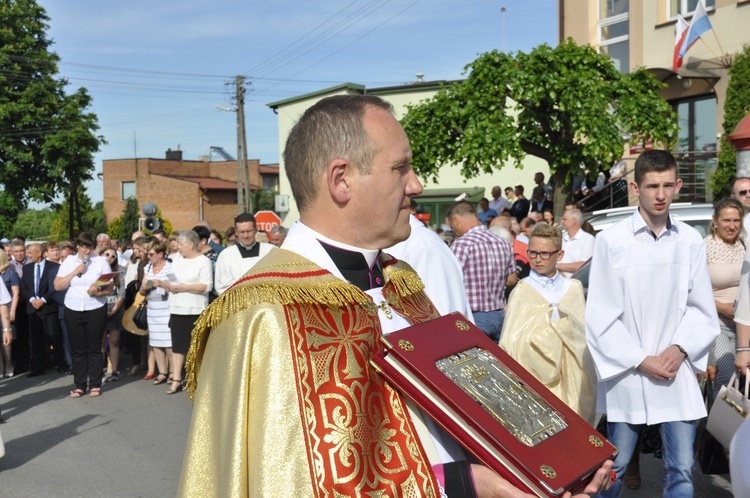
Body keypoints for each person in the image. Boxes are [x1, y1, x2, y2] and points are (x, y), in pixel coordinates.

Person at [179, 95, 613, 497]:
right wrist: (466, 483)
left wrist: (542, 470)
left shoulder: (400, 282)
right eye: (400, 168)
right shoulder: (262, 313)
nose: (417, 184)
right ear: (341, 180)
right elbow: (293, 482)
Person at [586, 150, 718, 497]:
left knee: (682, 468)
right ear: (635, 187)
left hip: (675, 370)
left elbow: (702, 308)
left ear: (678, 185)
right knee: (613, 467)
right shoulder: (611, 241)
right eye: (652, 186)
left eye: (667, 185)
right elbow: (600, 315)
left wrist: (679, 349)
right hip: (629, 371)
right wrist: (642, 360)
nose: (660, 195)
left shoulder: (689, 240)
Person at [500, 223, 596, 425]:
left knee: (572, 430)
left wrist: (565, 325)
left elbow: (584, 334)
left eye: (545, 254)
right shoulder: (523, 289)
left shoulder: (573, 287)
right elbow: (511, 341)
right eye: (533, 253)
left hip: (572, 376)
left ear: (559, 255)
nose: (537, 259)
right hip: (534, 376)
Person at [54, 232, 114, 398]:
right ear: (78, 247)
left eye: (90, 247)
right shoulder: (69, 261)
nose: (87, 251)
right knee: (78, 348)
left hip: (95, 307)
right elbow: (58, 286)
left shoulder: (100, 261)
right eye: (84, 247)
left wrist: (99, 290)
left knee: (94, 347)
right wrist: (74, 272)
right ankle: (80, 384)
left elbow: (110, 287)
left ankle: (95, 383)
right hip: (73, 308)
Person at [447, 201, 517, 341]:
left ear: (456, 220)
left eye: (452, 226)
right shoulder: (502, 242)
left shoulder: (461, 245)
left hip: (474, 316)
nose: (453, 230)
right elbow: (511, 279)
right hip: (500, 315)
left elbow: (450, 282)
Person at [703, 198, 745, 398]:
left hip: (743, 326)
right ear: (715, 221)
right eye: (726, 220)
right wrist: (721, 307)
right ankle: (719, 428)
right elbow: (690, 292)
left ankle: (741, 428)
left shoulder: (744, 245)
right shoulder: (704, 248)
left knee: (744, 380)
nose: (732, 226)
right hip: (716, 326)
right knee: (726, 377)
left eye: (736, 220)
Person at [162, 230, 212, 395]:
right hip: (176, 308)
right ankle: (176, 378)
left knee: (196, 347)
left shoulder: (203, 261)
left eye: (181, 244)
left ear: (191, 244)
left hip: (195, 309)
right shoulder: (176, 260)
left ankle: (198, 379)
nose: (178, 247)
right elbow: (168, 278)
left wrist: (183, 287)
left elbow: (206, 286)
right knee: (177, 347)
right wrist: (168, 285)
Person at [20, 243, 62, 377]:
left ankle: (60, 364)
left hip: (49, 308)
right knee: (35, 340)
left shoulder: (54, 267)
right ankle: (38, 367)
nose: (28, 255)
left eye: (31, 252)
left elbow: (55, 287)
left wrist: (43, 300)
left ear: (39, 253)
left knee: (54, 337)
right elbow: (24, 287)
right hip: (33, 310)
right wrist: (32, 299)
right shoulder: (26, 268)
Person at [213, 213, 275, 295]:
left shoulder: (271, 251)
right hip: (238, 305)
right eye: (242, 232)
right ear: (236, 232)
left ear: (256, 229)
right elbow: (222, 287)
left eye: (249, 231)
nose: (246, 235)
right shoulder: (226, 256)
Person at [139, 240, 172, 386]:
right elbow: (141, 290)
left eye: (151, 254)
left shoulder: (170, 267)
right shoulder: (147, 268)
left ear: (160, 254)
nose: (149, 256)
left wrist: (162, 284)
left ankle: (173, 372)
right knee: (156, 342)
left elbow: (175, 287)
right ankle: (162, 371)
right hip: (152, 308)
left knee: (169, 342)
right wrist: (144, 288)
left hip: (166, 307)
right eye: (147, 253)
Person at [101, 248, 125, 383]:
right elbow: (92, 291)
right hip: (100, 310)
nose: (110, 257)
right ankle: (98, 370)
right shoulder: (98, 271)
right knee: (101, 342)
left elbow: (122, 293)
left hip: (115, 310)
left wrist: (114, 310)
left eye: (113, 256)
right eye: (107, 254)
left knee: (114, 342)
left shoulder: (119, 272)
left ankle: (114, 371)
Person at [557, 208, 595, 277]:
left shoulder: (587, 239)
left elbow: (584, 266)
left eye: (564, 219)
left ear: (574, 221)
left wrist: (556, 266)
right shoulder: (563, 239)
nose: (561, 222)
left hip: (576, 284)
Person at [0, 251, 19, 377]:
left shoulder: (10, 273)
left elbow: (3, 303)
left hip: (3, 315)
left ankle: (7, 366)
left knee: (4, 342)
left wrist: (7, 329)